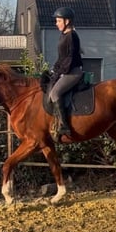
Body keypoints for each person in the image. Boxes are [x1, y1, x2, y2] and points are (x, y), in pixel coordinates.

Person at [49, 7, 83, 136]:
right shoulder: (63, 36)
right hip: (66, 71)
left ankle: (64, 126)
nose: (56, 23)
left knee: (55, 93)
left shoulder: (71, 36)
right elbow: (61, 58)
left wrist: (59, 72)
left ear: (67, 21)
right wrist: (53, 70)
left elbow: (69, 58)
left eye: (58, 21)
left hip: (73, 72)